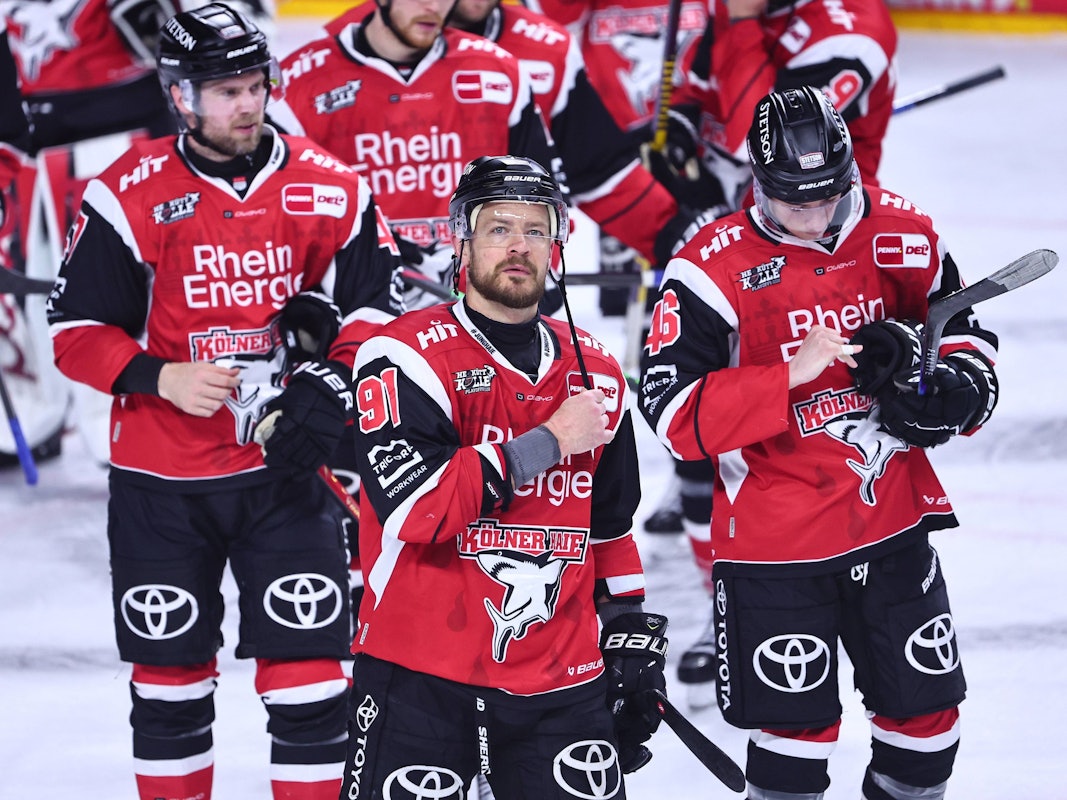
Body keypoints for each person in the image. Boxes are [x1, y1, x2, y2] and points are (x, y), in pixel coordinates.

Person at [45, 5, 404, 799]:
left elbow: (378, 310)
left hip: (284, 475)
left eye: (255, 85)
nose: (247, 104)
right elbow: (74, 331)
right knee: (169, 692)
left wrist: (331, 374)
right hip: (160, 483)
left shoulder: (332, 185)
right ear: (180, 97)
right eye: (227, 90)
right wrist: (155, 375)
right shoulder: (126, 192)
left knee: (313, 690)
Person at [638, 86, 998, 800]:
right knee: (793, 755)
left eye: (825, 198)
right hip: (775, 548)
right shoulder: (707, 269)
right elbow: (673, 415)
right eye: (790, 204)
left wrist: (949, 391)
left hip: (890, 525)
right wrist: (784, 377)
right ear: (756, 184)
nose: (810, 217)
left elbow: (964, 336)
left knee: (926, 734)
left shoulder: (906, 232)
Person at [344, 155, 669, 798]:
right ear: (462, 239)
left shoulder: (598, 373)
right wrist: (548, 443)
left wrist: (628, 626)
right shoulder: (402, 353)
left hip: (561, 681)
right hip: (422, 673)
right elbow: (416, 512)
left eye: (536, 229)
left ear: (557, 245)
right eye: (498, 228)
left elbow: (608, 527)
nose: (519, 247)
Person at [645, 0, 899, 695]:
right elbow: (702, 123)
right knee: (699, 438)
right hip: (729, 255)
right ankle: (714, 607)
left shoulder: (852, 29)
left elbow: (755, 130)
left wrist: (733, 27)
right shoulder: (735, 21)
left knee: (814, 458)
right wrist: (675, 168)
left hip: (824, 267)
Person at [270, 0, 688, 312]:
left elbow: (592, 173)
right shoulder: (309, 77)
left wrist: (675, 234)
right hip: (369, 317)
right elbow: (285, 222)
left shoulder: (523, 60)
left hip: (480, 310)